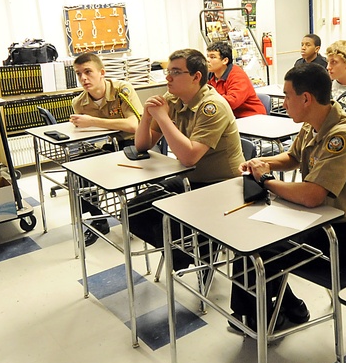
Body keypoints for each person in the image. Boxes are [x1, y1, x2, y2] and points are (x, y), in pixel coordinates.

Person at [228, 62, 346, 333]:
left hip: (340, 234)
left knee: (261, 249)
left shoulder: (342, 135)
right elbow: (293, 157)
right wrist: (264, 163)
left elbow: (312, 196)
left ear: (306, 99)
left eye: (286, 95)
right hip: (314, 221)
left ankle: (261, 316)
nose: (283, 102)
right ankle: (277, 308)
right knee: (249, 238)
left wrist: (265, 181)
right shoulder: (313, 123)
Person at [127, 48, 245, 269]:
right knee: (135, 211)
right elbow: (142, 145)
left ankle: (197, 252)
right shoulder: (172, 99)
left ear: (196, 76)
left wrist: (162, 117)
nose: (168, 77)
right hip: (190, 178)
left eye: (176, 72)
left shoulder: (212, 107)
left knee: (168, 219)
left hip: (222, 185)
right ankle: (186, 257)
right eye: (168, 71)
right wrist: (146, 115)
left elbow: (189, 157)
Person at [69, 52, 143, 245]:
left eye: (88, 72)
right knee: (74, 173)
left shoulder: (122, 90)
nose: (83, 78)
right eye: (78, 74)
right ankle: (98, 220)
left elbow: (134, 125)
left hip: (134, 143)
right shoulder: (79, 103)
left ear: (102, 72)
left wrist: (93, 121)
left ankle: (137, 219)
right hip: (109, 146)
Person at [206, 41, 266, 118]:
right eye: (207, 56)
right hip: (229, 116)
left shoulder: (237, 76)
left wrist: (207, 100)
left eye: (212, 57)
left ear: (225, 61)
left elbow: (232, 102)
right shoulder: (210, 75)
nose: (207, 60)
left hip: (251, 117)